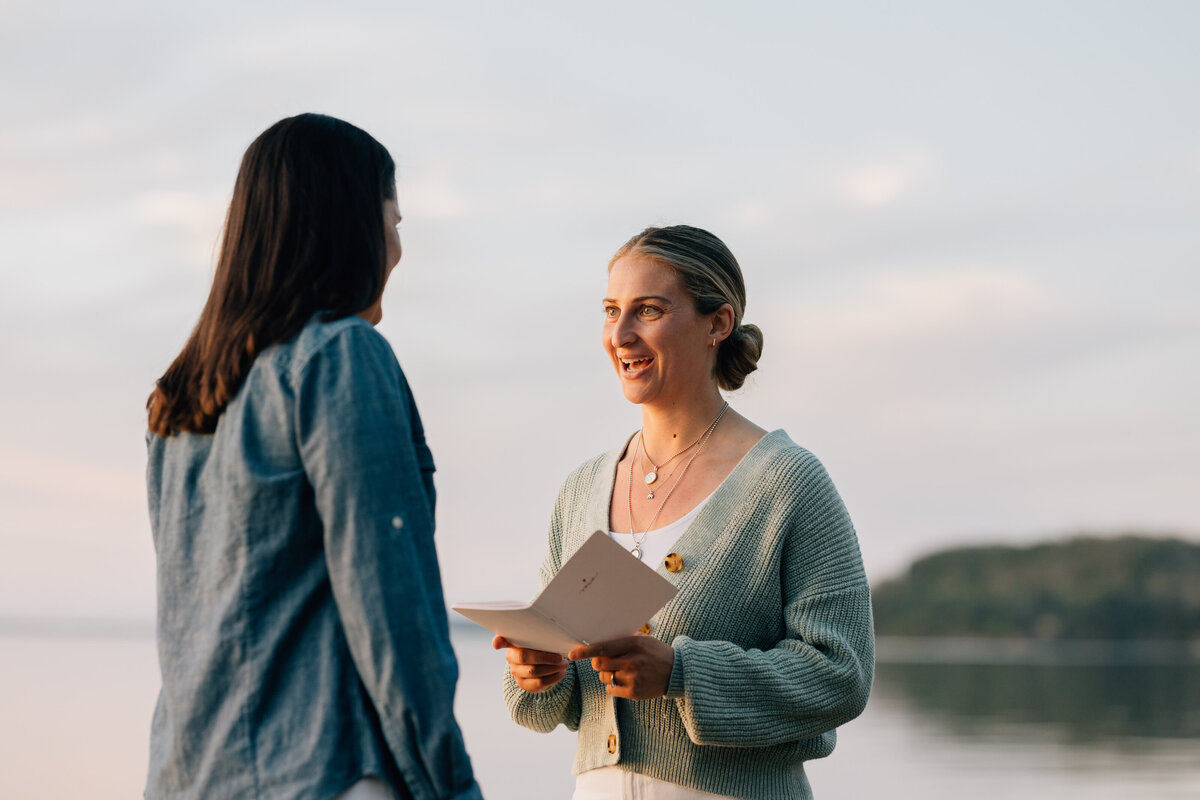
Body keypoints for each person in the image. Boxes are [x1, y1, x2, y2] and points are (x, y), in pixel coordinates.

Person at [144, 114, 483, 800]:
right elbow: (391, 609)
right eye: (395, 220)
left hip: (189, 775)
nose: (397, 248)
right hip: (323, 772)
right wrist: (449, 784)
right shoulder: (340, 359)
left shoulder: (177, 399)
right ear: (354, 222)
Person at [494, 225, 874, 800]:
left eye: (647, 310)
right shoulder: (581, 491)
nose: (620, 334)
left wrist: (682, 672)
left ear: (717, 324)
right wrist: (540, 671)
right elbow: (570, 695)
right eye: (610, 311)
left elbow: (842, 674)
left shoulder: (787, 483)